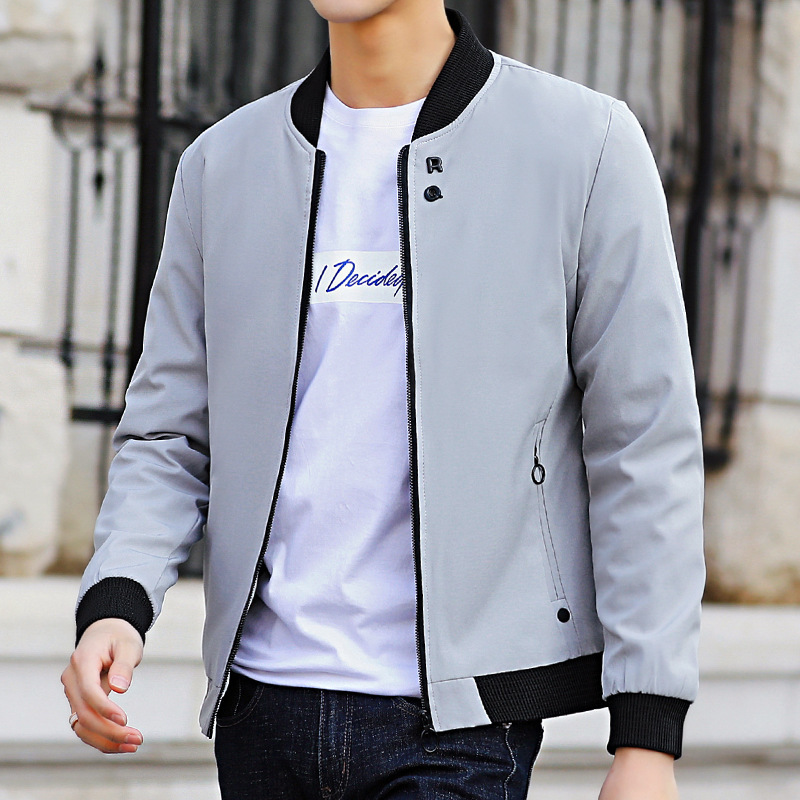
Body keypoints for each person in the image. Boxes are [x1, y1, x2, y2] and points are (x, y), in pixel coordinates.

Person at [60, 0, 706, 797]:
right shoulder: (221, 164)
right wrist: (117, 601)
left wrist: (647, 732)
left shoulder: (585, 146)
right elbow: (169, 434)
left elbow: (644, 443)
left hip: (460, 729)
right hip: (261, 709)